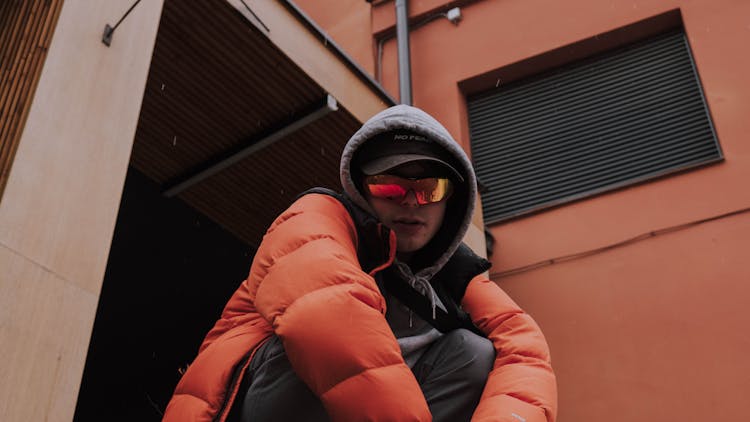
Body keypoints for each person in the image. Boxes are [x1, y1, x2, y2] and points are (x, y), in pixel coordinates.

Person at [163, 105, 557, 422]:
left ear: (451, 201)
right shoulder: (314, 222)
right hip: (263, 401)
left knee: (474, 353)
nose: (410, 201)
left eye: (431, 188)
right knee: (309, 344)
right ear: (360, 188)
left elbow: (525, 358)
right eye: (390, 185)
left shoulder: (456, 277)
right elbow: (331, 327)